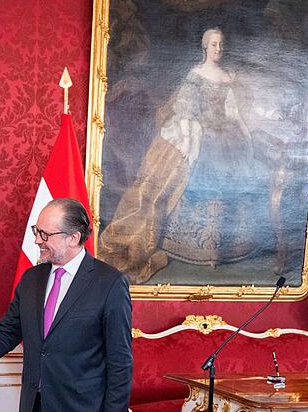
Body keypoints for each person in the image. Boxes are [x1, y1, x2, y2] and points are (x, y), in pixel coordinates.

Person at [100, 27, 268, 282]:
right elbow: (185, 107)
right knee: (181, 173)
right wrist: (192, 131)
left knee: (236, 173)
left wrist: (246, 136)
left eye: (221, 44)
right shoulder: (195, 75)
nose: (218, 49)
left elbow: (232, 111)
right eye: (213, 44)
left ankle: (226, 242)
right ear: (205, 47)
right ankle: (189, 241)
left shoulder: (227, 77)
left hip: (225, 135)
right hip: (199, 130)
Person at [0, 198, 132, 412]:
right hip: (34, 407)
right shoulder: (32, 278)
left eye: (45, 234)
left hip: (82, 410)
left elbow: (119, 363)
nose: (36, 240)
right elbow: (7, 332)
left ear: (73, 238)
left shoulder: (110, 283)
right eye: (37, 231)